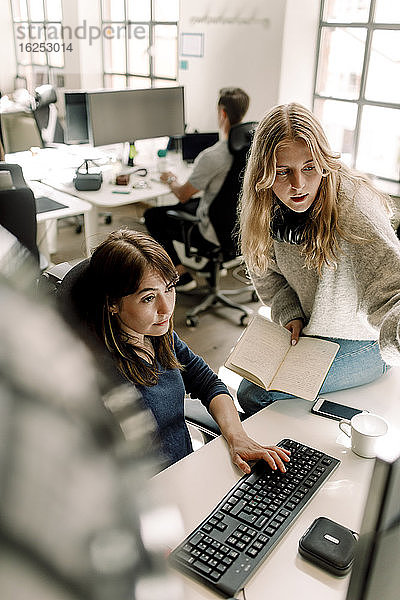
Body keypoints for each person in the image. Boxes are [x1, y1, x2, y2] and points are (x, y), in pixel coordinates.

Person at [77, 228, 290, 472]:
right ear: (112, 303)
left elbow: (208, 383)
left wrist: (237, 437)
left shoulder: (157, 336)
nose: (166, 308)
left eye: (169, 289)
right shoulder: (103, 375)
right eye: (148, 298)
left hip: (185, 469)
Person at [237, 102, 400, 416]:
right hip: (312, 333)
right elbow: (269, 277)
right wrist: (289, 313)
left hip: (366, 342)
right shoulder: (263, 208)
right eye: (283, 172)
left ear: (325, 164)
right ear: (264, 175)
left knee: (254, 395)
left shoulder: (355, 209)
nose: (298, 184)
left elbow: (393, 292)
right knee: (250, 383)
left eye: (309, 167)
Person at [144, 87, 250, 291]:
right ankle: (212, 266)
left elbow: (183, 194)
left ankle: (180, 275)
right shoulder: (253, 150)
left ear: (222, 113)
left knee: (153, 216)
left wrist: (170, 179)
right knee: (185, 206)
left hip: (212, 230)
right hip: (240, 228)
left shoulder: (213, 156)